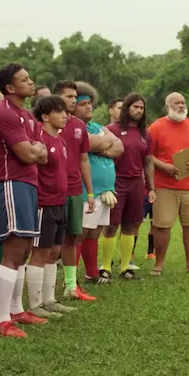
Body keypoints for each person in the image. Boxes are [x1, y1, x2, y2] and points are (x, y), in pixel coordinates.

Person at [0, 63, 47, 337]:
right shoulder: (5, 113)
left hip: (28, 183)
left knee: (23, 249)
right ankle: (2, 319)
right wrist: (35, 149)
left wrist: (36, 149)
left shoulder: (26, 115)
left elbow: (43, 153)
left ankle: (16, 309)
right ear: (10, 88)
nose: (31, 81)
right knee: (14, 249)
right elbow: (28, 154)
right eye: (24, 79)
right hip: (11, 184)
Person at [148, 92, 189, 276]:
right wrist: (165, 166)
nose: (181, 105)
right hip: (164, 186)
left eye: (183, 102)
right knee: (162, 226)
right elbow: (148, 156)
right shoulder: (156, 127)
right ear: (167, 106)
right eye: (176, 103)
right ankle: (158, 264)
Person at [26, 95, 78, 318]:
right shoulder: (39, 140)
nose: (65, 115)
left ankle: (50, 300)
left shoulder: (61, 140)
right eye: (60, 111)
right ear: (45, 116)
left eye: (65, 111)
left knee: (55, 251)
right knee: (40, 252)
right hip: (44, 203)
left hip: (60, 202)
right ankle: (36, 304)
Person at [101, 93, 155, 280]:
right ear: (127, 108)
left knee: (130, 225)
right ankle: (106, 267)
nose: (139, 111)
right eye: (135, 107)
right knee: (111, 225)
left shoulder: (145, 134)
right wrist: (104, 184)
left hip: (136, 183)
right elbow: (100, 157)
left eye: (141, 108)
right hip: (116, 182)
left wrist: (151, 187)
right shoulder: (111, 130)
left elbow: (148, 162)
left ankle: (125, 267)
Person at [73, 82, 123, 285]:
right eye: (83, 103)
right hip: (87, 191)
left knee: (94, 233)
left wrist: (99, 147)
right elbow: (97, 142)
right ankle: (70, 281)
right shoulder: (72, 127)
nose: (89, 107)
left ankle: (92, 274)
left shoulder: (97, 127)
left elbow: (118, 146)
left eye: (90, 103)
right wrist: (101, 144)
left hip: (105, 191)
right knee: (80, 233)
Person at [53, 81, 96, 302]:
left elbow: (84, 159)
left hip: (74, 190)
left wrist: (89, 192)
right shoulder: (45, 124)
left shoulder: (79, 125)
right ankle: (44, 291)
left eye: (74, 96)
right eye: (68, 96)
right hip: (51, 192)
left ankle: (71, 286)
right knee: (50, 244)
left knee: (71, 239)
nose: (72, 100)